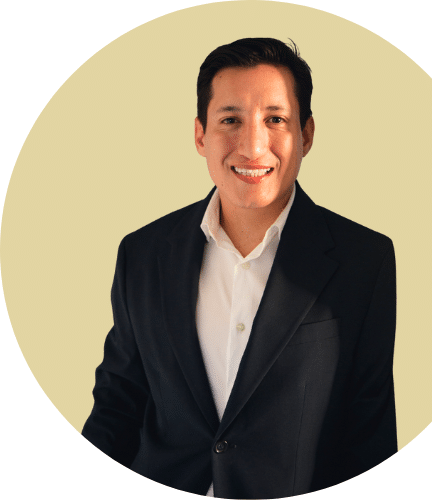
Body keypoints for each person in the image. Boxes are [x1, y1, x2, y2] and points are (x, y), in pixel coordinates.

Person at [82, 38, 397, 499]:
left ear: (306, 135)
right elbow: (118, 405)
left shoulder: (364, 260)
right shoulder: (143, 253)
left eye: (275, 120)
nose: (252, 146)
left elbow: (369, 437)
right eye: (230, 120)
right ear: (200, 135)